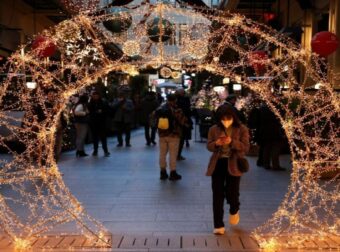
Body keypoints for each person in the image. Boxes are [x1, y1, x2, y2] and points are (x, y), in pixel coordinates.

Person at [206, 104, 249, 235]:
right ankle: (218, 225)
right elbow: (209, 145)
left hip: (234, 163)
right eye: (223, 118)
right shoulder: (214, 129)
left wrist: (232, 142)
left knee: (232, 193)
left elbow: (246, 147)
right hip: (218, 164)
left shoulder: (242, 129)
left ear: (233, 117)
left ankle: (234, 209)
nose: (225, 120)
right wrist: (216, 144)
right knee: (217, 194)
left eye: (228, 117)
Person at [156, 94, 188, 181]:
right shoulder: (177, 109)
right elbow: (183, 121)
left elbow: (153, 118)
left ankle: (162, 172)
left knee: (162, 154)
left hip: (162, 134)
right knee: (173, 155)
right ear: (175, 100)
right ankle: (173, 173)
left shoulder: (160, 108)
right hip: (174, 134)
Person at [256, 104, 285, 171]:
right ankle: (275, 165)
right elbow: (281, 119)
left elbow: (259, 120)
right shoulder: (277, 108)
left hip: (264, 131)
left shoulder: (262, 108)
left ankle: (266, 164)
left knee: (266, 148)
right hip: (275, 131)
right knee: (275, 148)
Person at [88, 91, 110, 157]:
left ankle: (105, 151)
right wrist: (96, 112)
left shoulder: (103, 102)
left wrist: (102, 112)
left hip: (101, 122)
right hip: (94, 123)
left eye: (96, 95)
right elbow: (89, 112)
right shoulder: (90, 103)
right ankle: (95, 150)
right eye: (94, 95)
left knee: (103, 137)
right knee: (95, 138)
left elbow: (107, 110)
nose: (95, 97)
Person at [176, 88, 193, 160]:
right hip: (183, 121)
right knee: (181, 138)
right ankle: (178, 154)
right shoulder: (184, 100)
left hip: (178, 122)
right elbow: (187, 110)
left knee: (179, 139)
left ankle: (177, 154)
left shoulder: (177, 100)